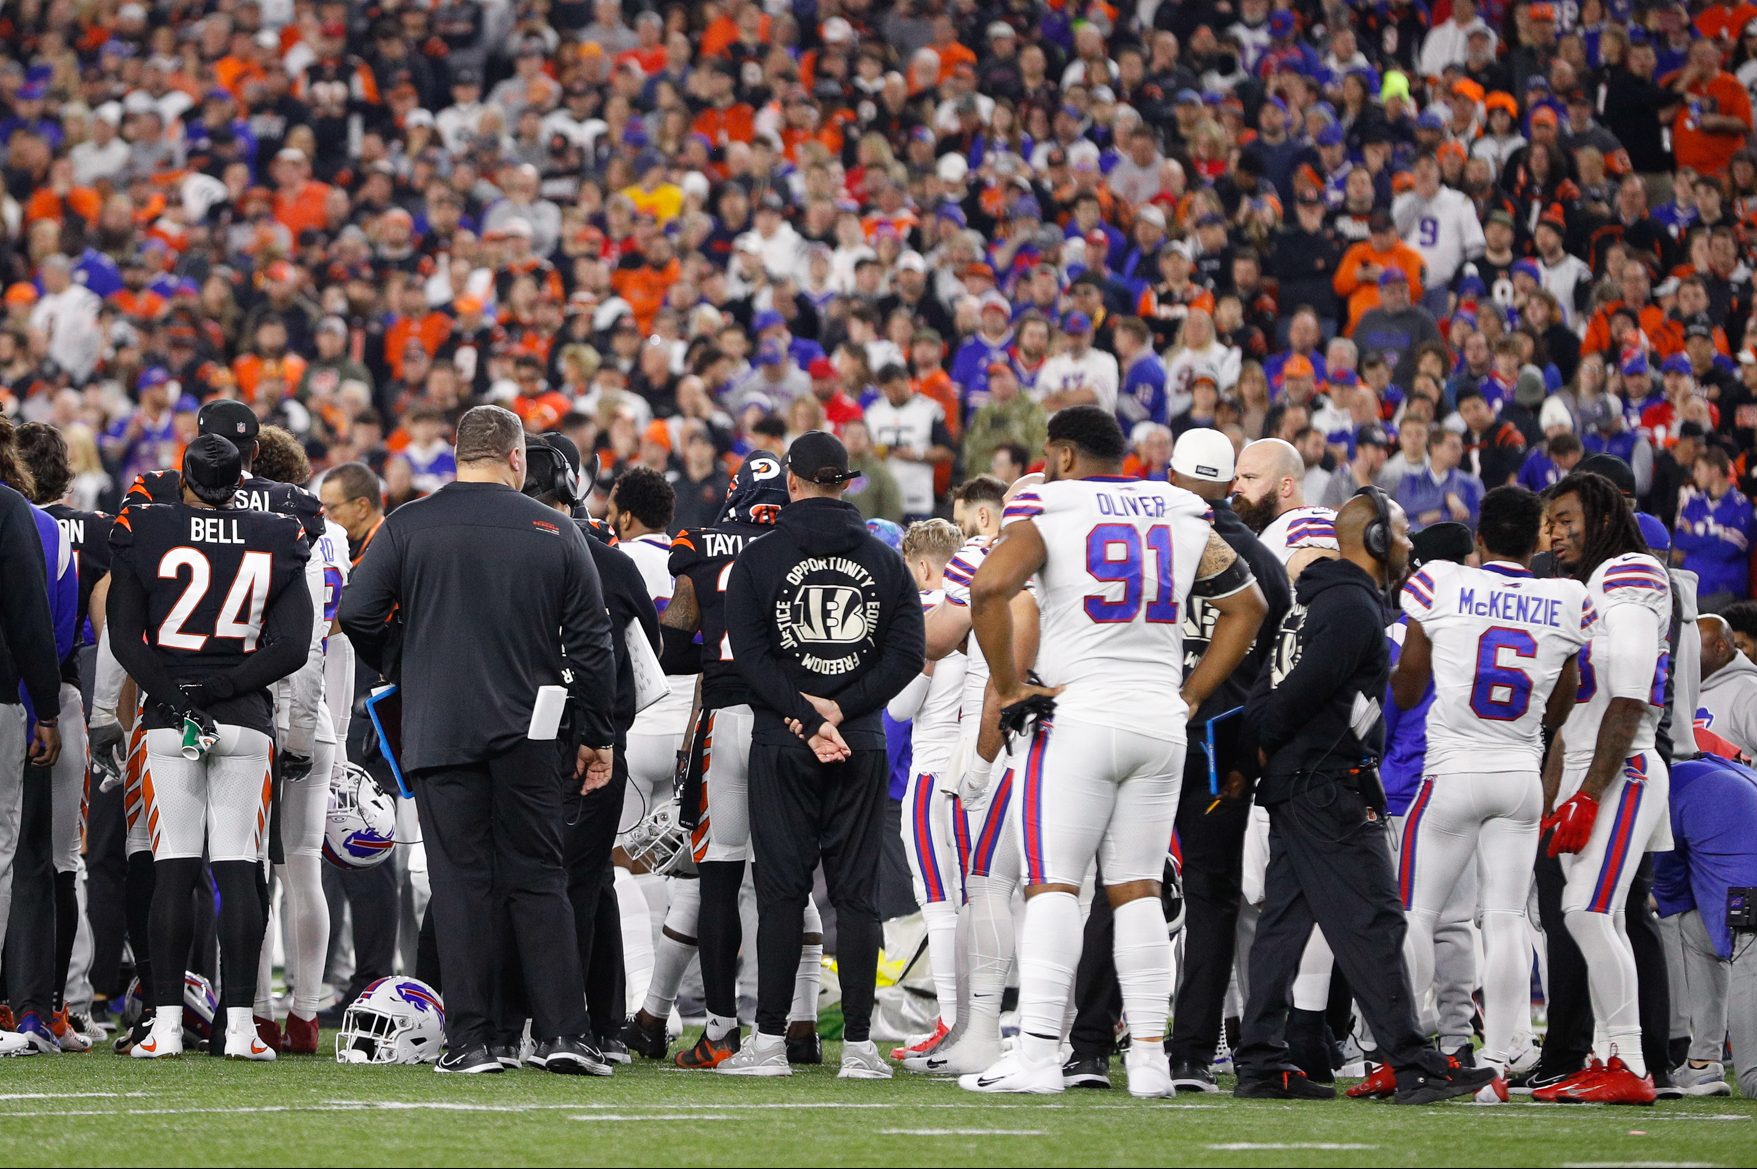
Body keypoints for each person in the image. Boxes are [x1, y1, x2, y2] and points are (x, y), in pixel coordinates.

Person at [959, 406, 1267, 1096]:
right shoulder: (1177, 508)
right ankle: (1152, 1060)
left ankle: (1038, 1052)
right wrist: (1189, 693)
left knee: (1053, 885)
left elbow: (987, 586)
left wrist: (1009, 684)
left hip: (1079, 714)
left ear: (1064, 455)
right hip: (1158, 720)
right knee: (1135, 890)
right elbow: (1247, 605)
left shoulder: (1054, 503)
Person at [338, 404, 617, 1075]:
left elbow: (355, 612)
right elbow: (593, 644)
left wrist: (403, 661)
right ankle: (562, 1034)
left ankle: (469, 1040)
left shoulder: (408, 524)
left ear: (456, 452)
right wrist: (596, 734)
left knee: (460, 884)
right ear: (518, 458)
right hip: (530, 728)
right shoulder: (552, 527)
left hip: (437, 725)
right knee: (540, 877)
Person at [1237, 486, 1498, 1104]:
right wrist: (1270, 742)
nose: (1409, 545)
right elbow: (1294, 697)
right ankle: (1412, 1063)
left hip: (1301, 781)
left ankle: (1259, 1062)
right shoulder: (1354, 607)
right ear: (1378, 540)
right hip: (1326, 784)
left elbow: (1269, 689)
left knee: (1282, 923)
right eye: (1403, 533)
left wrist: (1265, 751)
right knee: (1377, 919)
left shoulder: (1314, 600)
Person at [719, 431, 925, 1079]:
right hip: (857, 738)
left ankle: (770, 1044)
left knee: (781, 893)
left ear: (792, 481)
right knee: (857, 894)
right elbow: (907, 654)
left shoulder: (759, 558)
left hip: (782, 740)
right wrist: (841, 710)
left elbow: (749, 657)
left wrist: (806, 716)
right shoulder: (885, 562)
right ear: (845, 483)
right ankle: (860, 1048)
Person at [106, 435, 313, 1060]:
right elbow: (293, 647)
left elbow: (124, 638)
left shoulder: (144, 524)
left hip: (169, 720)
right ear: (241, 479)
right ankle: (243, 1029)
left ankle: (166, 1027)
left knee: (172, 867)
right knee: (238, 870)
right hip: (245, 719)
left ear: (184, 480)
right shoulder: (278, 533)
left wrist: (176, 695)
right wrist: (223, 687)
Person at [1379, 486, 1589, 1092]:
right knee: (1503, 918)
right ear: (1537, 541)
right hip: (1520, 773)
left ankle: (1411, 1049)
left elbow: (1411, 684)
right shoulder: (1565, 597)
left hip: (1451, 770)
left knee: (1416, 912)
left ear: (1480, 538)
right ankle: (1498, 1060)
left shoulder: (1444, 581)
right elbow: (1563, 697)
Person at [633, 452, 826, 1070]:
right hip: (791, 720)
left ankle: (719, 1032)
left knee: (717, 877)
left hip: (725, 718)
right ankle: (798, 1026)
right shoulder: (806, 542)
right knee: (789, 878)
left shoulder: (700, 541)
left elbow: (679, 626)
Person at [1536, 470, 1675, 1104]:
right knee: (1600, 915)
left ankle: (1630, 1063)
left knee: (1587, 913)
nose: (1553, 532)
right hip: (1590, 766)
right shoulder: (1588, 585)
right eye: (1548, 522)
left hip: (1626, 767)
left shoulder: (1630, 573)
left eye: (1566, 518)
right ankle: (1606, 1054)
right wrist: (1555, 791)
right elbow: (1571, 712)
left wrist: (1590, 792)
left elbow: (1629, 694)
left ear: (1601, 513)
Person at [522, 434, 659, 1063]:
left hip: (526, 737)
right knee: (588, 881)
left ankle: (552, 1025)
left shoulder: (505, 548)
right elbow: (645, 646)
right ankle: (594, 1023)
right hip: (600, 735)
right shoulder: (610, 558)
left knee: (539, 884)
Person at [14, 421, 113, 1048]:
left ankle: (21, 999)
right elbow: (101, 634)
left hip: (23, 696)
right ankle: (64, 1000)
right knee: (59, 859)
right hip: (65, 696)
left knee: (16, 857)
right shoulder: (95, 530)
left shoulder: (22, 524)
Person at [604, 464, 690, 1013]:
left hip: (637, 724)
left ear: (627, 514)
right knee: (658, 865)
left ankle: (643, 995)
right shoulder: (687, 562)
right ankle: (662, 1002)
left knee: (615, 862)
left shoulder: (619, 560)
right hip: (686, 725)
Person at [885, 518, 968, 1048]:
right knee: (981, 896)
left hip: (934, 770)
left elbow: (900, 706)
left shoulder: (924, 615)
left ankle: (951, 1022)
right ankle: (977, 1020)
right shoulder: (985, 602)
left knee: (937, 900)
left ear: (920, 566)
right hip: (985, 772)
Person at [1652, 752, 1757, 1098]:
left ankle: (1726, 1065)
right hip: (1744, 900)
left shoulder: (1664, 791)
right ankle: (1702, 1064)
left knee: (1754, 1080)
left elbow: (1667, 888)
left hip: (1751, 910)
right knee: (1694, 929)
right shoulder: (1728, 772)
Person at [1231, 438, 1339, 565]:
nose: (1236, 488)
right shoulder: (1263, 529)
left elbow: (1356, 550)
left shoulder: (1304, 526)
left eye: (1249, 477)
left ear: (1285, 486)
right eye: (1237, 478)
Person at [1698, 614, 1757, 757]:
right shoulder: (1683, 692)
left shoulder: (1750, 692)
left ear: (1720, 648)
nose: (1685, 653)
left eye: (1693, 646)